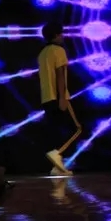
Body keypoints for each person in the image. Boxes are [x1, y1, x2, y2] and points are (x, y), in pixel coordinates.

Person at [37, 21, 81, 175]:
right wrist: (62, 97)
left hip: (46, 97)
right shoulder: (59, 50)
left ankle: (56, 167)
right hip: (58, 96)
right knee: (77, 129)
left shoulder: (42, 53)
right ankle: (58, 153)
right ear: (56, 35)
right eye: (61, 33)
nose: (63, 36)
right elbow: (60, 75)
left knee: (55, 131)